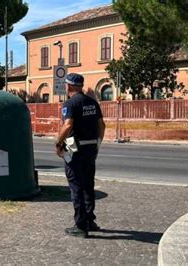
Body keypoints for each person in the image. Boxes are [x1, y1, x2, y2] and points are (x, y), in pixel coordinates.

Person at [55, 73, 106, 238]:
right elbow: (102, 125)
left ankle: (80, 226)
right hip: (91, 149)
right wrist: (97, 144)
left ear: (68, 86)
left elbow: (68, 125)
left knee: (76, 187)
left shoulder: (70, 104)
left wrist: (58, 143)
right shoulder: (92, 102)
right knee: (88, 186)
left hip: (75, 151)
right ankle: (90, 220)